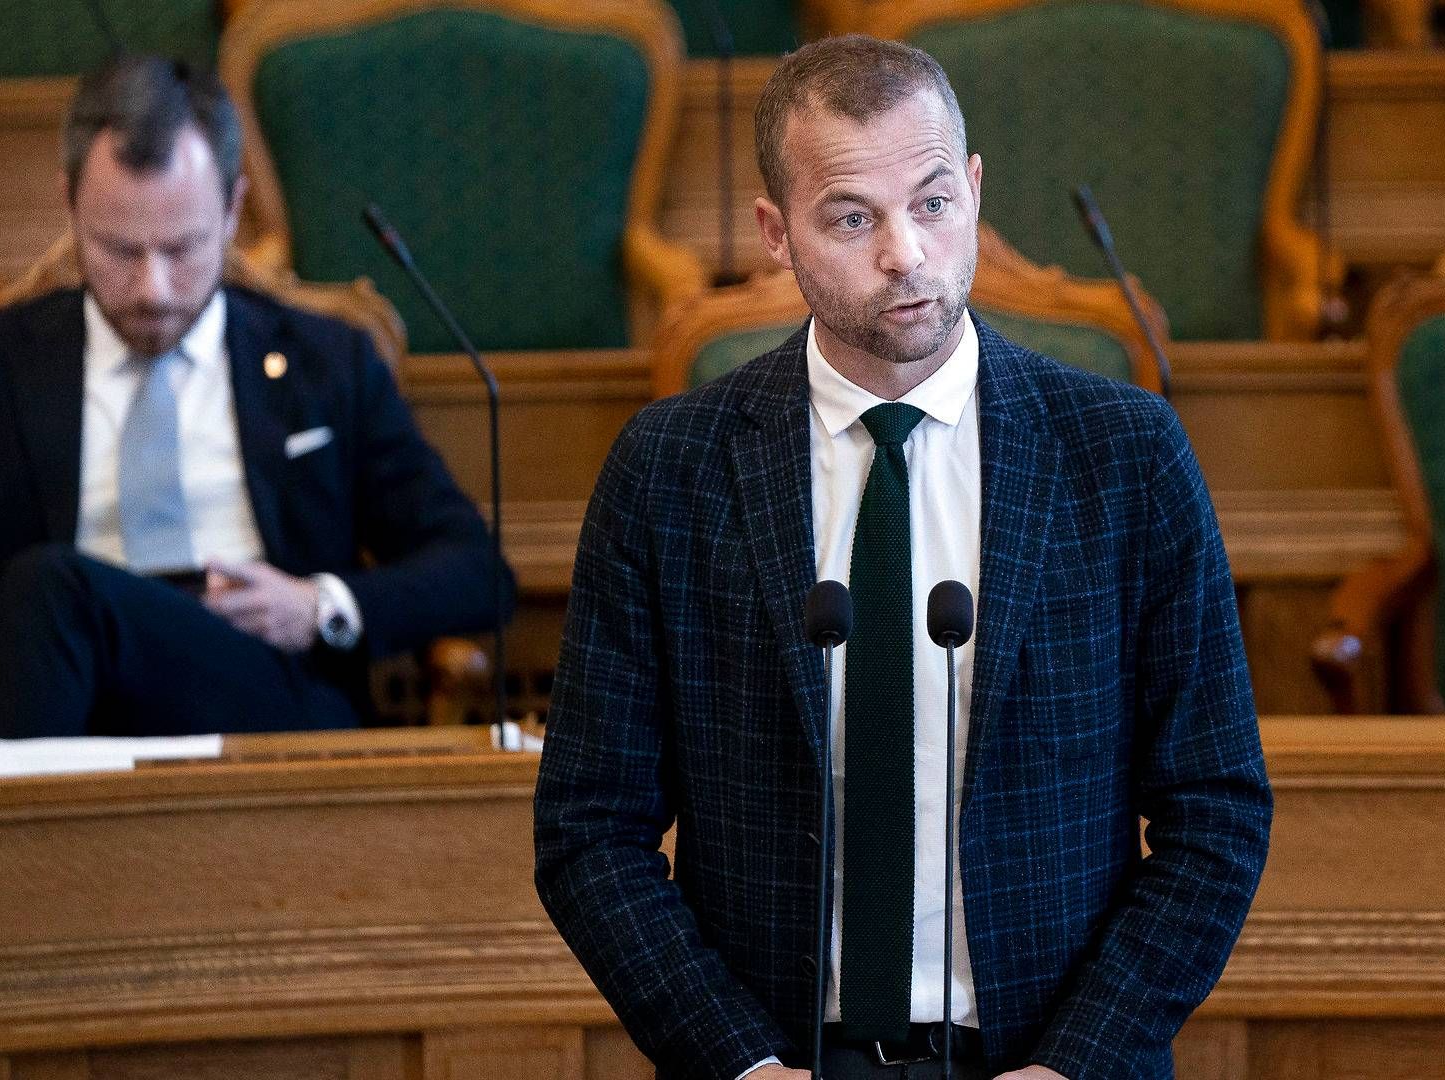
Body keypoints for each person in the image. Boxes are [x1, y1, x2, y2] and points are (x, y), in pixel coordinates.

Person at [534, 34, 1270, 1080]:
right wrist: (736, 1062)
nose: (905, 254)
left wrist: (1078, 1065)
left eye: (931, 203)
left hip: (1045, 1057)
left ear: (973, 189)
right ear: (775, 233)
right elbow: (588, 832)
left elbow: (1217, 812)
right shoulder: (669, 470)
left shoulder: (1126, 457)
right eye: (851, 217)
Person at [0, 55, 509, 743]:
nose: (154, 289)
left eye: (182, 248)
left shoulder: (327, 362)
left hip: (266, 700)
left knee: (58, 592)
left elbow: (476, 570)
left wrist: (315, 604)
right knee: (57, 589)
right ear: (69, 204)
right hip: (59, 699)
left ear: (232, 210)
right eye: (119, 250)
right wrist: (40, 621)